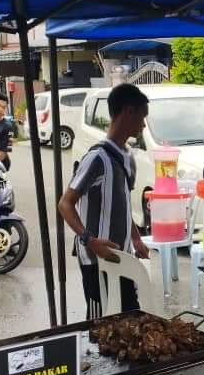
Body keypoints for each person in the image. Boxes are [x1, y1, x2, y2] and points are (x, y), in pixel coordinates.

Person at [59, 84, 150, 318]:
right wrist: (89, 240)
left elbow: (123, 204)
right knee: (101, 323)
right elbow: (65, 204)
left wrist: (136, 238)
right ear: (128, 112)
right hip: (95, 259)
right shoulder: (96, 158)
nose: (143, 124)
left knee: (129, 318)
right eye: (142, 116)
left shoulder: (129, 158)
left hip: (122, 257)